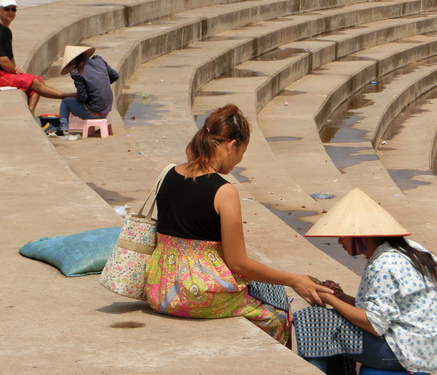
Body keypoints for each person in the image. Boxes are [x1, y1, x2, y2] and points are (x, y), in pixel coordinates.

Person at [143, 104, 333, 347]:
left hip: (159, 286)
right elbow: (237, 262)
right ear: (231, 146)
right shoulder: (224, 191)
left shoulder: (169, 172)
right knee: (276, 314)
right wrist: (295, 280)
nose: (239, 161)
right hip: (193, 293)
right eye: (241, 152)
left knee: (265, 289)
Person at [294, 188, 436, 374]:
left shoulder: (384, 264)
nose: (339, 242)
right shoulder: (408, 249)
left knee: (313, 320)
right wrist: (340, 296)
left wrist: (330, 300)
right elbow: (380, 310)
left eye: (342, 237)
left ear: (359, 236)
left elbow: (375, 325)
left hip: (406, 352)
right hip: (423, 346)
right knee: (328, 322)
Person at [0, 0, 75, 114]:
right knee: (33, 82)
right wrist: (14, 70)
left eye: (13, 9)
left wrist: (16, 70)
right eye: (7, 9)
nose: (11, 12)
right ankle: (65, 96)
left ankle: (30, 112)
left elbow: (10, 58)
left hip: (1, 73)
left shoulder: (6, 31)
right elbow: (4, 62)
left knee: (38, 81)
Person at [57, 45, 119, 135]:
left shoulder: (78, 74)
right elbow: (115, 76)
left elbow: (83, 98)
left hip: (94, 113)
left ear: (74, 62)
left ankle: (63, 127)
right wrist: (99, 85)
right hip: (106, 110)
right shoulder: (99, 61)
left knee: (66, 101)